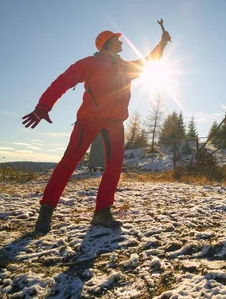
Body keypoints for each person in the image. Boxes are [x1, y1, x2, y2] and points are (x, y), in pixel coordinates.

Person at [23, 28, 171, 233]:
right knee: (69, 163)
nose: (121, 43)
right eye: (117, 40)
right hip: (89, 119)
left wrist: (162, 44)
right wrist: (43, 107)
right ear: (108, 43)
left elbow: (147, 62)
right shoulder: (89, 63)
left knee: (114, 166)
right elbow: (63, 81)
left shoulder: (124, 66)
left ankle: (102, 213)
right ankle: (46, 211)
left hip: (115, 122)